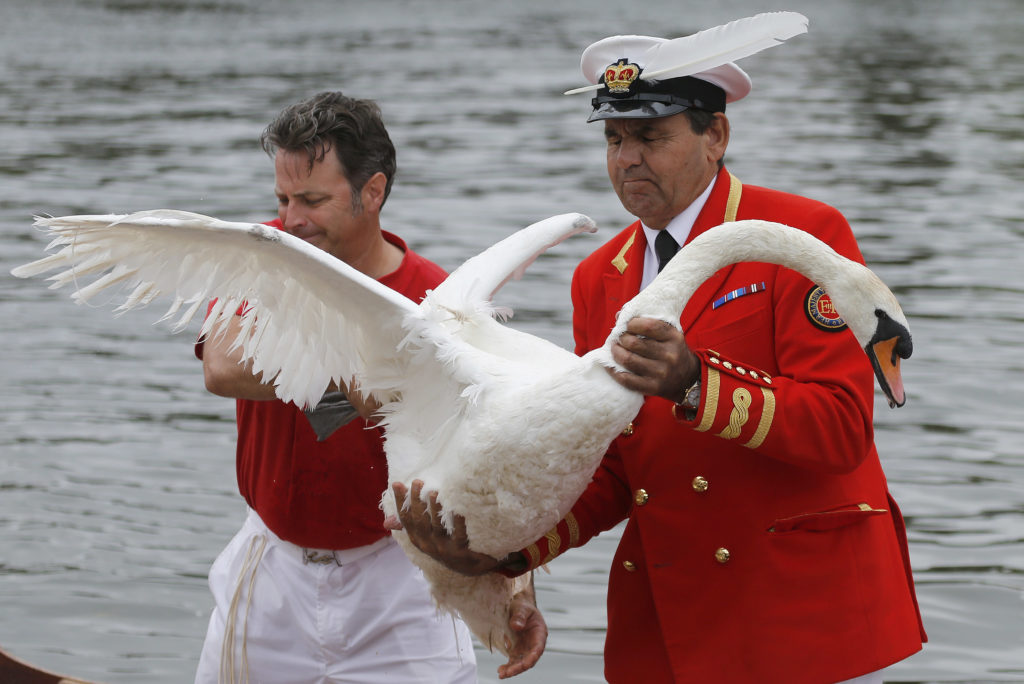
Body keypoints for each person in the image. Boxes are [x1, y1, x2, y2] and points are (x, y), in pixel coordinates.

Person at [390, 25, 928, 684]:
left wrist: (696, 384)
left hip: (794, 615)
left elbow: (841, 430)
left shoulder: (803, 236)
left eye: (651, 137)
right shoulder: (600, 276)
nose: (627, 160)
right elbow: (611, 463)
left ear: (716, 137)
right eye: (614, 140)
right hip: (672, 616)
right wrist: (502, 553)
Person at [193, 91, 490, 683]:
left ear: (372, 192)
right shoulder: (262, 256)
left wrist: (513, 588)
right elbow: (222, 368)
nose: (291, 221)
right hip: (272, 566)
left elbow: (484, 453)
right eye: (281, 199)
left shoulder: (435, 298)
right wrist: (366, 375)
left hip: (402, 575)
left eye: (311, 200)